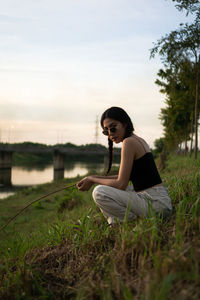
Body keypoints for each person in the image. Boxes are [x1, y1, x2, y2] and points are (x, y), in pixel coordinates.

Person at [76, 107, 172, 224]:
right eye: (106, 131)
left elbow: (121, 184)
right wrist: (92, 178)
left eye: (113, 127)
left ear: (124, 124)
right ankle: (124, 221)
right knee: (109, 188)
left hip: (155, 204)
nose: (110, 133)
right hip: (159, 202)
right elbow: (123, 177)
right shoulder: (137, 139)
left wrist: (93, 179)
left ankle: (128, 221)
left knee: (99, 192)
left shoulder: (129, 142)